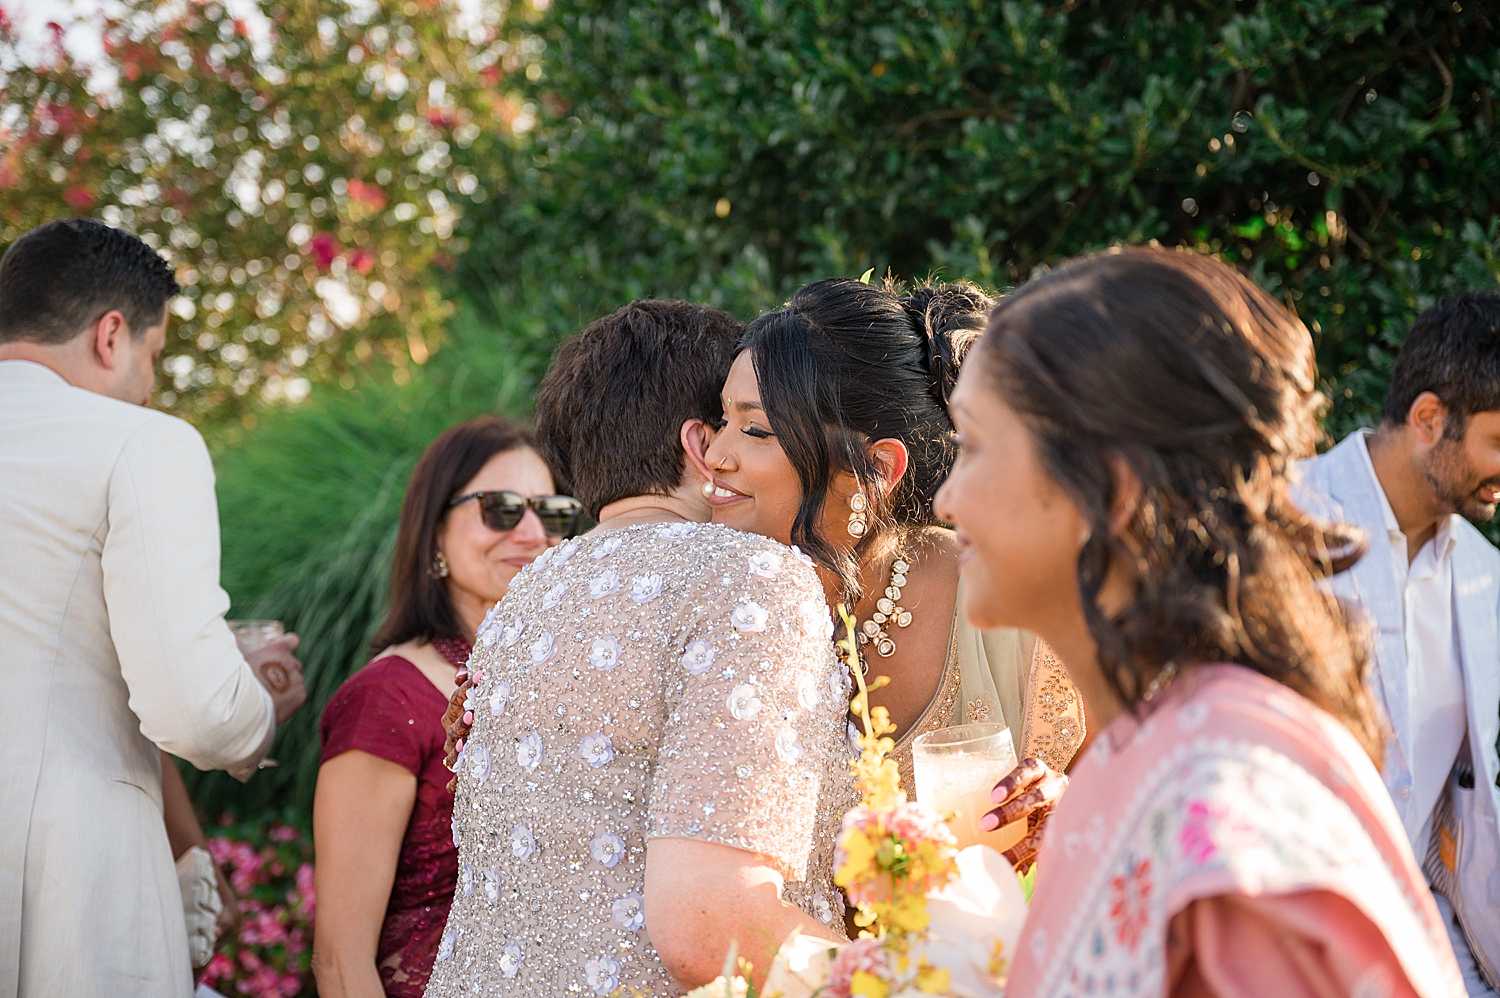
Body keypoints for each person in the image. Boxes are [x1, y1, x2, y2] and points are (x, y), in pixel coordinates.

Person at [935, 246, 1466, 996]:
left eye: (974, 446)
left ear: (1109, 488)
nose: (944, 501)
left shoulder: (1230, 825)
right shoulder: (1137, 756)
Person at [423, 300, 847, 998]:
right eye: (741, 423)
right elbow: (709, 927)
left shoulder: (523, 599)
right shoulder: (745, 576)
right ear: (700, 445)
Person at [0, 217, 306, 997]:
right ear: (112, 335)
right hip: (62, 888)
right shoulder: (139, 443)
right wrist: (257, 700)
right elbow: (195, 709)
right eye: (154, 357)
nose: (150, 385)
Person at [698, 277, 1085, 872]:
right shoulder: (698, 604)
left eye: (754, 430)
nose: (716, 456)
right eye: (721, 420)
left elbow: (1144, 803)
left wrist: (1065, 813)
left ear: (875, 468)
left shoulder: (1008, 595)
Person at [312, 416, 578, 998]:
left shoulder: (568, 684)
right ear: (433, 532)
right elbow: (339, 960)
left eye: (554, 511)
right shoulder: (387, 698)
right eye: (500, 509)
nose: (534, 533)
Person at [1296, 290, 1500, 996]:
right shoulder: (1281, 519)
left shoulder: (1485, 573)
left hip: (1432, 947)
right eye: (1498, 442)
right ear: (1428, 418)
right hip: (1288, 947)